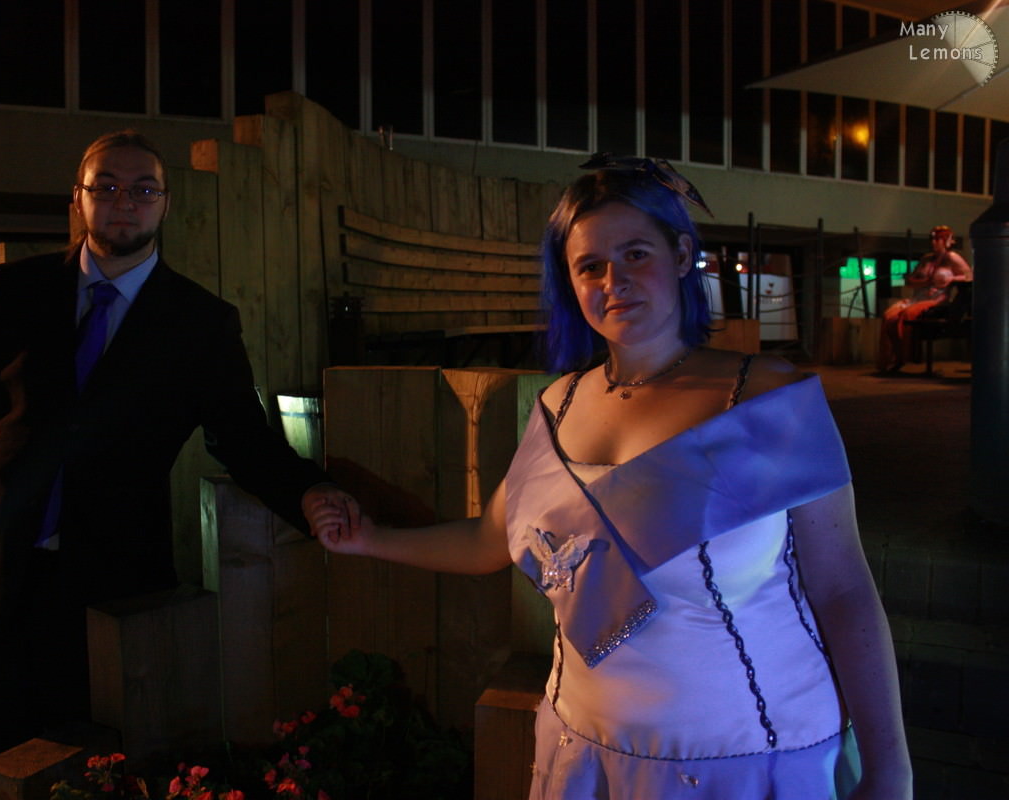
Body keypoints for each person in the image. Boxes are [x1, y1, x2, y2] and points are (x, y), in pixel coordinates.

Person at [310, 158, 912, 799]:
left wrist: (890, 770)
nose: (613, 281)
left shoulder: (769, 399)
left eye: (635, 254)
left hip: (746, 757)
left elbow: (843, 588)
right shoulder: (556, 405)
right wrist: (370, 539)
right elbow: (489, 541)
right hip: (582, 750)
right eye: (589, 265)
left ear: (680, 255)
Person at [0, 130, 357, 800]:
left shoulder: (201, 322)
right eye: (108, 186)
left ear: (165, 204)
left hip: (112, 576)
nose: (125, 201)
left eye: (144, 189)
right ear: (79, 198)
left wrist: (310, 491)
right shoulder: (15, 289)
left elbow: (243, 440)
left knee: (98, 763)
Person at [878, 224, 972, 372]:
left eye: (938, 239)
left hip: (936, 300)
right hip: (917, 298)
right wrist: (926, 281)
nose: (934, 242)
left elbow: (969, 276)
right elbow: (910, 281)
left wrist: (952, 279)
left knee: (907, 315)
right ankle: (888, 359)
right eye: (932, 239)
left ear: (946, 241)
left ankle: (905, 356)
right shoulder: (926, 259)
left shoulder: (952, 258)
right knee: (889, 316)